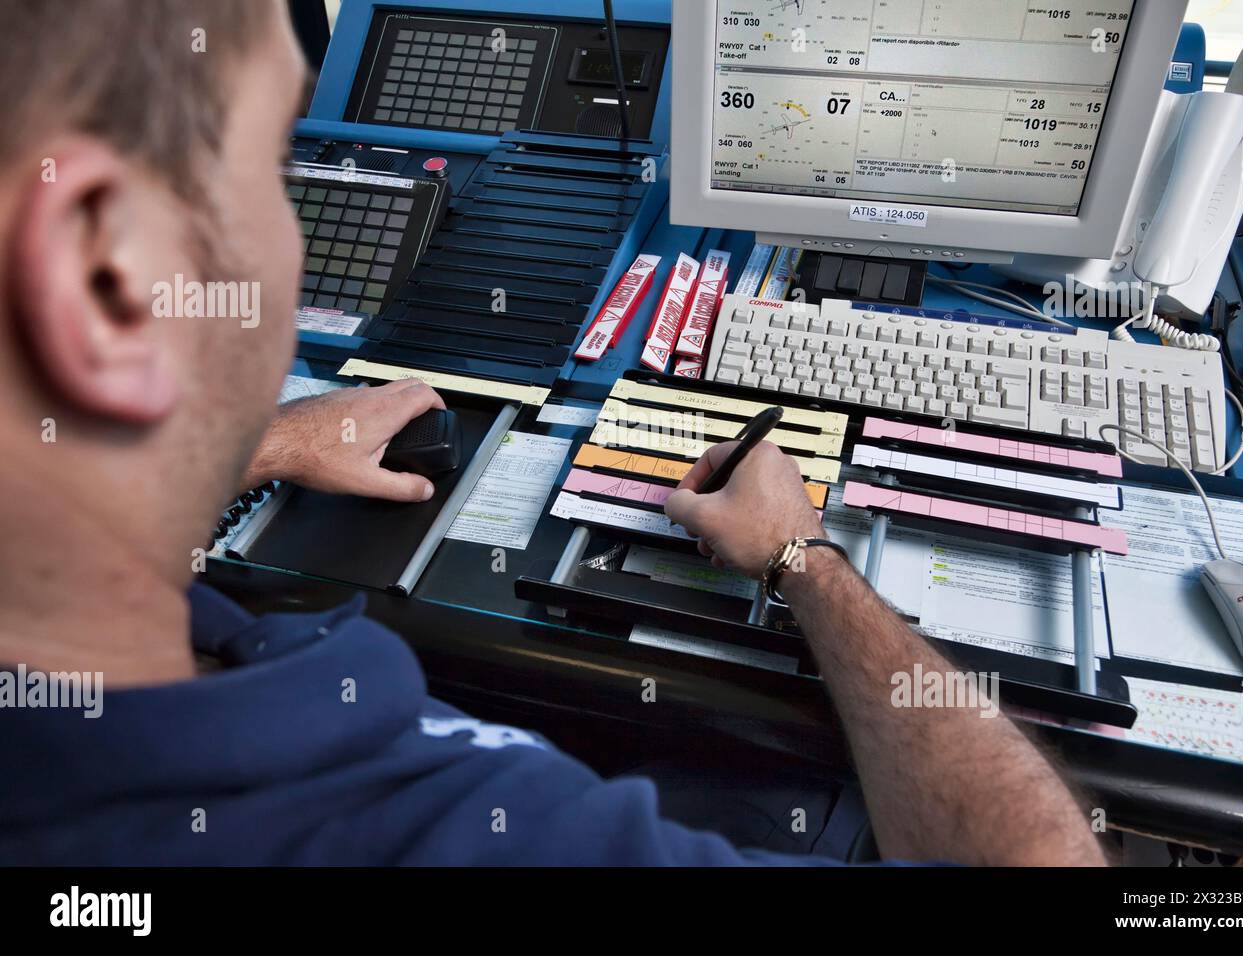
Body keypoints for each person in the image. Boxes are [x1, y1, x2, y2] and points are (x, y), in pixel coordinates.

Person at [0, 0, 1105, 866]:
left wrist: (256, 442)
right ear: (104, 279)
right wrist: (800, 556)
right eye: (268, 165)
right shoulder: (460, 829)